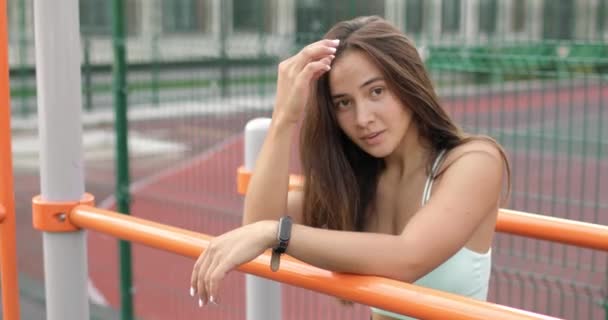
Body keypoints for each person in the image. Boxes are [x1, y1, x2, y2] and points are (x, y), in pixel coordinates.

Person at [190, 16, 510, 320]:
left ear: (409, 83)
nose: (362, 118)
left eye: (376, 91)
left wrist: (278, 234)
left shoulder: (475, 161)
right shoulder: (356, 182)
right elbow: (256, 226)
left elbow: (408, 257)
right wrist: (284, 117)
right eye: (344, 102)